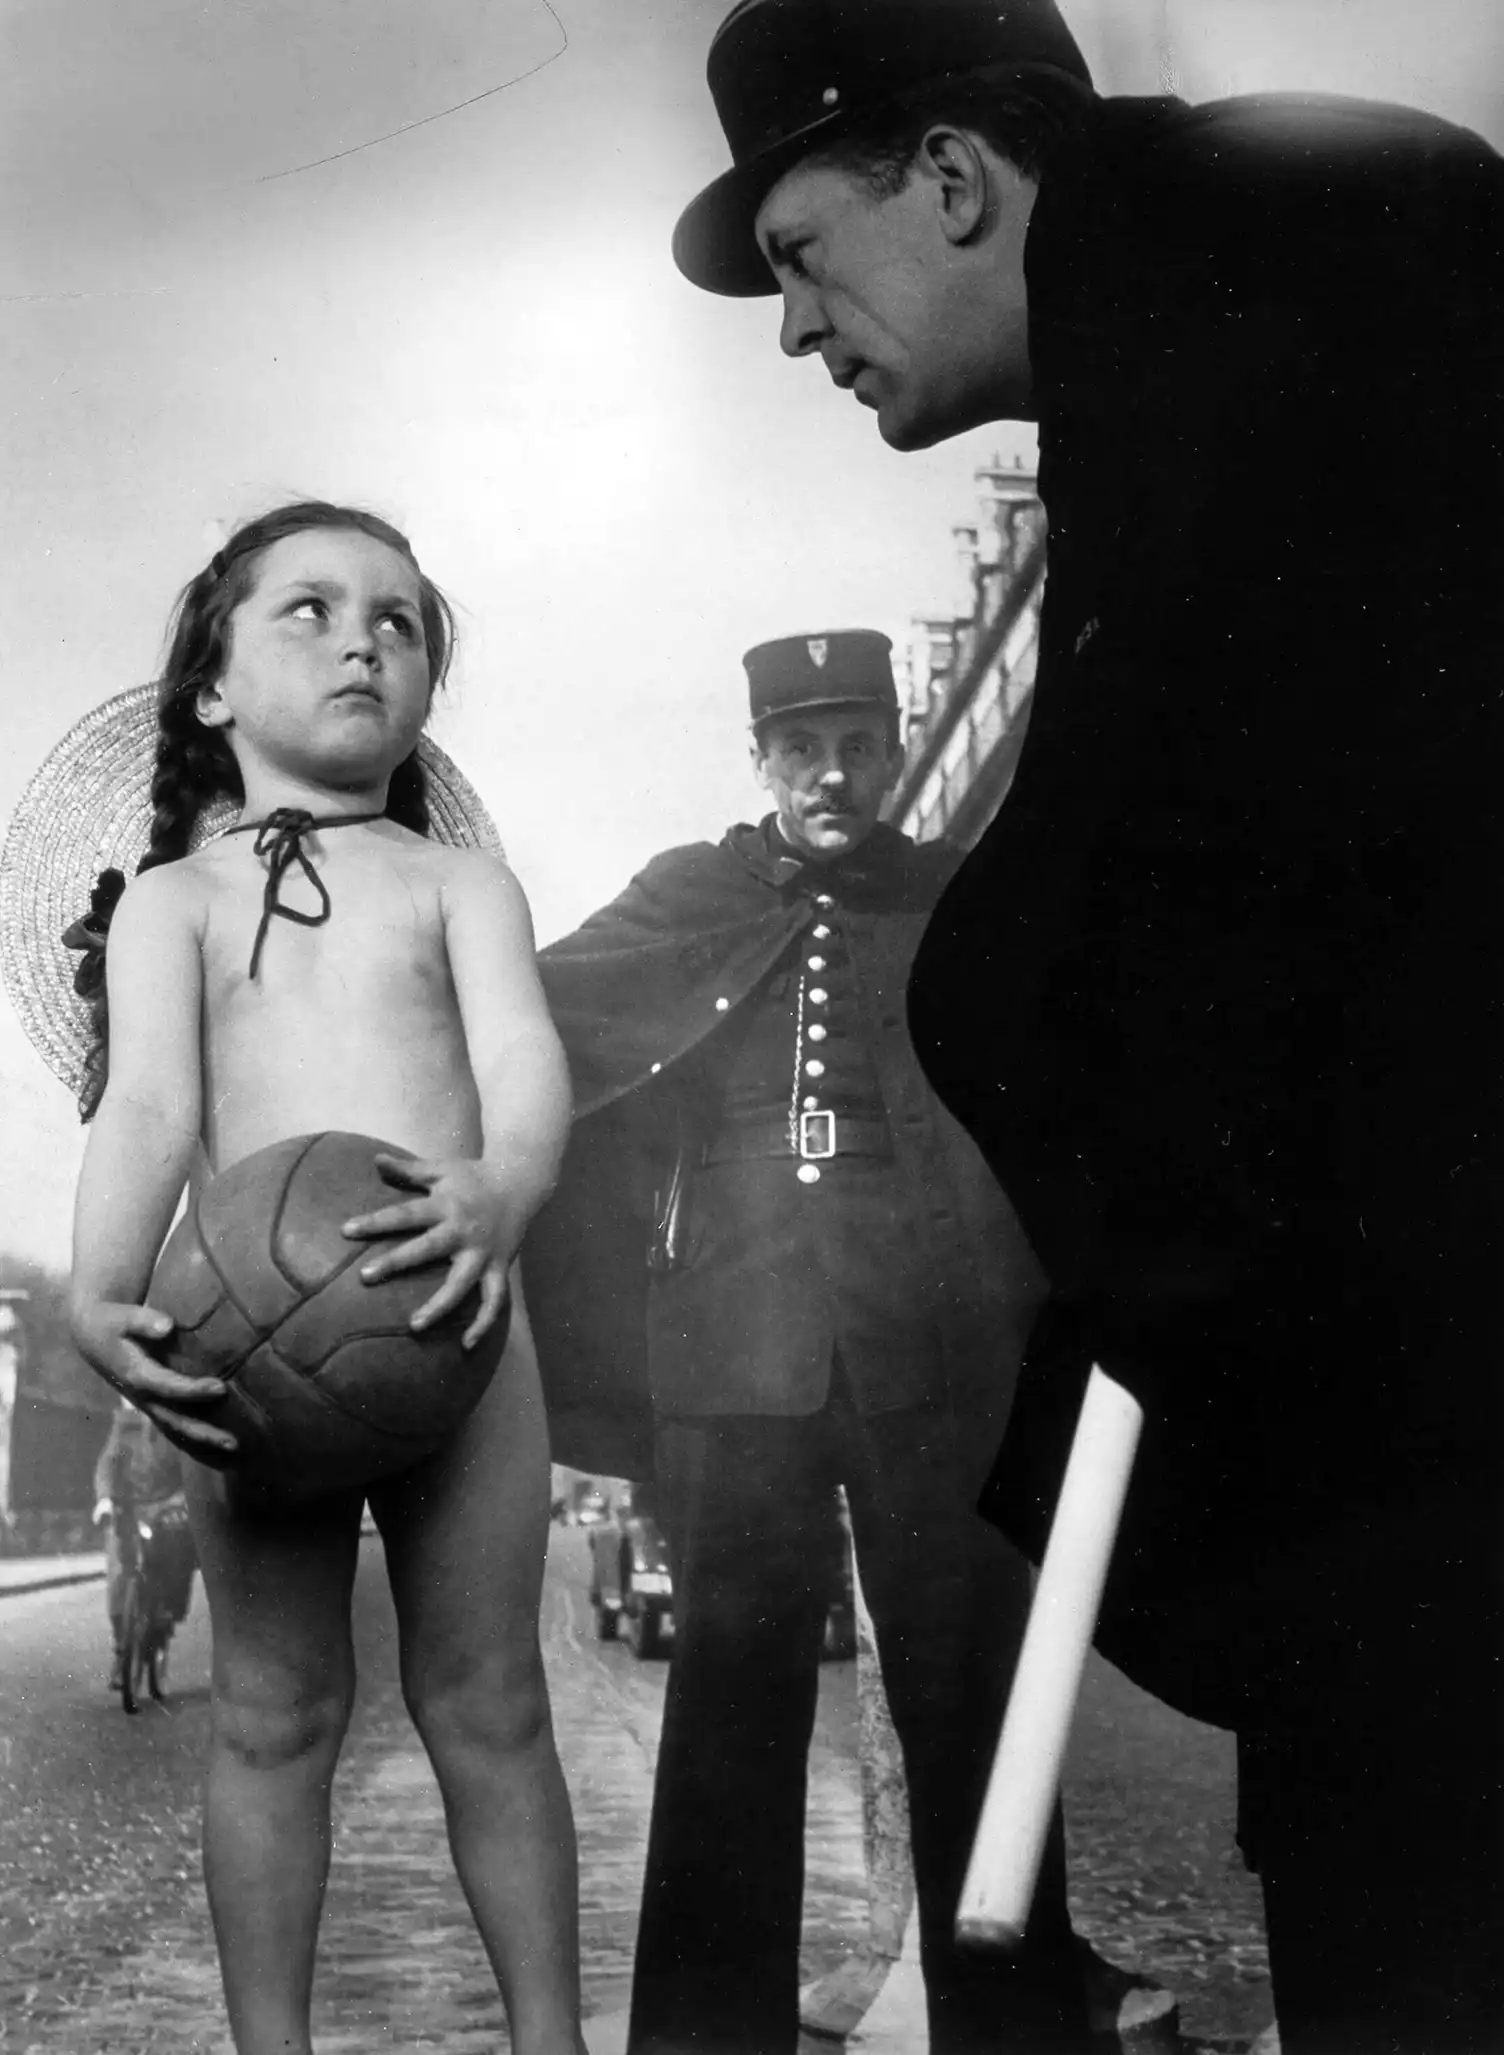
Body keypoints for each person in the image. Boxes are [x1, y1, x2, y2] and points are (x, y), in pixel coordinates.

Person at [671, 4, 1504, 2051]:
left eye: (794, 257)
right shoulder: (1246, 252)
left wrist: (1005, 1009)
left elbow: (1205, 838)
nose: (793, 333)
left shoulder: (1226, 290)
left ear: (951, 181)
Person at [525, 628, 1099, 2055]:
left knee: (971, 1691)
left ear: (896, 749)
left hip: (943, 1350)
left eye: (856, 744)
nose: (831, 773)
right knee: (728, 1701)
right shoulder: (689, 893)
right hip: (731, 1352)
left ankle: (1013, 2033)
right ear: (760, 758)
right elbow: (521, 1006)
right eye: (801, 749)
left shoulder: (963, 897)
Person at [62, 502, 585, 2055]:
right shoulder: (174, 902)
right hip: (247, 1357)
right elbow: (148, 1107)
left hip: (462, 1317)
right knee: (274, 1715)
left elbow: (523, 1059)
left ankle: (551, 2040)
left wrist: (502, 1189)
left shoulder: (459, 885)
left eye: (401, 617)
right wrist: (98, 1291)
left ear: (424, 685)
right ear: (210, 689)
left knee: (493, 1707)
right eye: (309, 608)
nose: (364, 635)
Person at [92, 1395, 191, 1692]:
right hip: (129, 1511)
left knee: (175, 1567)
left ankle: (164, 1628)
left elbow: (192, 1476)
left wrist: (183, 1503)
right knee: (119, 1580)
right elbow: (107, 1464)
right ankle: (121, 1652)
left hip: (167, 1511)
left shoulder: (179, 1428)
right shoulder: (124, 1426)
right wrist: (106, 1500)